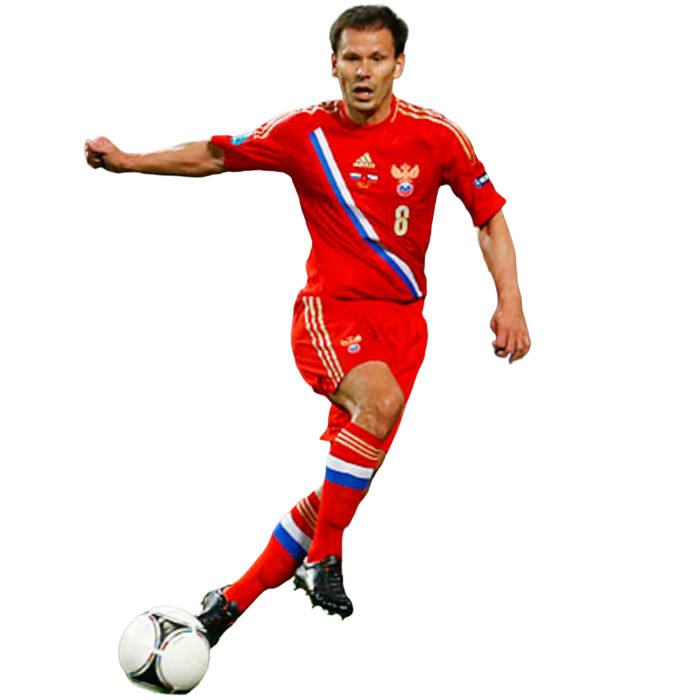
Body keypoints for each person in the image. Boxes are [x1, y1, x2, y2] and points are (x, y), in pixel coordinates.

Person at [84, 3, 530, 638]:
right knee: (375, 410)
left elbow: (487, 218)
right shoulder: (304, 132)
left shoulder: (438, 135)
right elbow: (213, 156)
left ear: (400, 65)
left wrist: (510, 301)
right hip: (331, 314)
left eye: (377, 58)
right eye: (352, 58)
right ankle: (323, 560)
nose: (364, 71)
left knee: (340, 490)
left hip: (405, 330)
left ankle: (229, 604)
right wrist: (129, 162)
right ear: (334, 65)